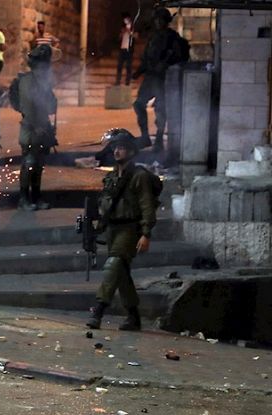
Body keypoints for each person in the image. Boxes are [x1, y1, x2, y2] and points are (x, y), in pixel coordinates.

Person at [86, 131, 159, 331]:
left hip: (130, 228)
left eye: (122, 148)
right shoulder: (111, 177)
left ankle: (98, 310)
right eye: (115, 148)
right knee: (121, 272)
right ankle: (133, 316)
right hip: (113, 228)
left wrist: (146, 233)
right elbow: (105, 203)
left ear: (131, 151)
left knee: (114, 265)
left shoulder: (139, 176)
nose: (117, 151)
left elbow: (147, 206)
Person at [132, 7, 188, 152]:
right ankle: (145, 137)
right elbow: (146, 58)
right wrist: (138, 72)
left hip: (163, 79)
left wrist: (166, 64)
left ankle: (158, 138)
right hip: (150, 77)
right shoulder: (153, 37)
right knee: (138, 104)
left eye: (161, 19)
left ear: (166, 21)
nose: (158, 22)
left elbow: (179, 56)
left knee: (161, 109)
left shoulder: (172, 37)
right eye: (156, 19)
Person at [16, 44, 57, 210]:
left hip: (42, 127)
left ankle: (36, 196)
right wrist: (36, 126)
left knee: (39, 165)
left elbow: (51, 107)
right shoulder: (27, 81)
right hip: (30, 129)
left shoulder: (43, 82)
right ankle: (23, 199)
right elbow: (27, 107)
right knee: (29, 163)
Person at [116, 12, 136, 86]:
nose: (125, 20)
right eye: (124, 19)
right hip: (122, 48)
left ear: (129, 18)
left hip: (129, 49)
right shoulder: (122, 27)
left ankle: (127, 82)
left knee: (128, 66)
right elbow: (119, 38)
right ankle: (118, 81)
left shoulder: (133, 26)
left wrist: (129, 31)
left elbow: (135, 36)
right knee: (119, 66)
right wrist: (121, 33)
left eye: (126, 18)